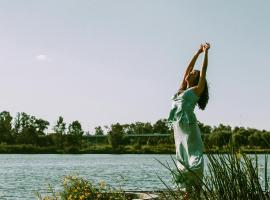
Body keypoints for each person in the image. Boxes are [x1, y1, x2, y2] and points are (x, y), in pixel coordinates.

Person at [168, 43, 210, 197]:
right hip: (178, 130)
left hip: (189, 128)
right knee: (183, 158)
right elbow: (187, 68)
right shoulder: (181, 90)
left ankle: (196, 192)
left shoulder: (196, 90)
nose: (189, 72)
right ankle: (189, 192)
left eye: (193, 73)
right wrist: (197, 52)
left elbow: (203, 70)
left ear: (196, 79)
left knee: (194, 156)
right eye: (190, 72)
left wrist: (206, 53)